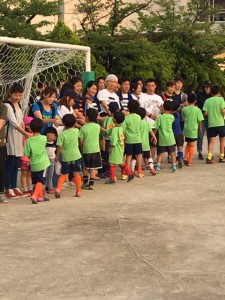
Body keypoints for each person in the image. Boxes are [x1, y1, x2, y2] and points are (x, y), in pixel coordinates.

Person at [4, 83, 31, 198]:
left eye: (20, 95)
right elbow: (14, 123)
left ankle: (14, 186)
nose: (18, 97)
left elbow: (20, 121)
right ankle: (8, 187)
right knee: (10, 164)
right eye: (16, 95)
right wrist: (26, 134)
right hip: (10, 136)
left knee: (16, 164)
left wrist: (24, 128)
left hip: (18, 136)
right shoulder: (7, 105)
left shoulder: (17, 104)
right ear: (10, 93)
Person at [54, 114, 82, 198]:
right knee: (77, 174)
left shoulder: (62, 135)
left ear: (63, 123)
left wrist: (57, 156)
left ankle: (58, 189)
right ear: (74, 123)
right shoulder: (76, 131)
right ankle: (78, 191)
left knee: (64, 174)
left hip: (66, 157)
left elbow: (59, 146)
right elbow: (80, 139)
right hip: (76, 156)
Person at [24, 118, 50, 204]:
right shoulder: (43, 138)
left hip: (33, 164)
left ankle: (40, 196)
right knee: (40, 181)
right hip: (43, 163)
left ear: (30, 128)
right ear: (42, 128)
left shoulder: (28, 140)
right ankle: (35, 195)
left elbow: (27, 154)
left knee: (35, 181)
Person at [139, 78, 164, 160]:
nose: (150, 88)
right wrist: (150, 115)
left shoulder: (159, 98)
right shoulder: (142, 97)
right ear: (145, 86)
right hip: (146, 124)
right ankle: (145, 162)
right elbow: (141, 110)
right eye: (149, 86)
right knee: (145, 144)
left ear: (155, 86)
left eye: (152, 86)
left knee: (153, 144)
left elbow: (163, 109)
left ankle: (151, 162)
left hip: (156, 124)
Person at [79, 108, 102, 190]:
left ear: (86, 117)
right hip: (96, 150)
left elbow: (81, 140)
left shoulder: (83, 128)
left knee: (86, 167)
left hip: (86, 150)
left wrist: (81, 148)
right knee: (93, 168)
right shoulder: (97, 126)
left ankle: (85, 182)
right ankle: (91, 184)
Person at [202, 86, 225, 164]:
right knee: (222, 140)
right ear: (218, 92)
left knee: (212, 141)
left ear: (211, 92)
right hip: (220, 123)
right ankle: (221, 157)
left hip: (211, 123)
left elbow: (205, 113)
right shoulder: (221, 99)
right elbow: (223, 110)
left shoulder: (207, 101)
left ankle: (209, 157)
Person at [154, 100, 177, 173]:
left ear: (163, 107)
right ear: (171, 109)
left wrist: (153, 136)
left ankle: (158, 166)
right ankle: (174, 166)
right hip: (170, 138)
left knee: (161, 153)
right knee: (172, 153)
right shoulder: (172, 117)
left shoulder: (160, 117)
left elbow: (156, 128)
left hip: (162, 138)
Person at [182, 93, 204, 166]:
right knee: (192, 145)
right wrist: (200, 128)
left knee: (188, 143)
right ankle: (190, 161)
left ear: (187, 100)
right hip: (193, 129)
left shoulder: (184, 109)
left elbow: (183, 115)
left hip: (186, 129)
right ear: (195, 101)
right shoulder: (197, 110)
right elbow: (199, 120)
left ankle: (185, 157)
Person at [105, 111, 126, 184]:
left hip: (115, 148)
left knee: (111, 164)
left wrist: (110, 148)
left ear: (114, 120)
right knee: (121, 163)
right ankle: (130, 173)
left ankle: (112, 179)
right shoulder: (121, 128)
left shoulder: (114, 129)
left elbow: (113, 140)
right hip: (121, 148)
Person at [123, 100, 142, 178]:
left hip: (129, 140)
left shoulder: (126, 118)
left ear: (128, 108)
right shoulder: (139, 117)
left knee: (129, 156)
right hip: (138, 139)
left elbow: (123, 129)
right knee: (139, 155)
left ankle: (128, 171)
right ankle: (139, 171)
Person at [136, 107, 157, 175]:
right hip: (146, 144)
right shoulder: (146, 123)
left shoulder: (137, 123)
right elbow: (151, 132)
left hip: (138, 143)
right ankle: (152, 169)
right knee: (148, 157)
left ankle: (134, 170)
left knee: (135, 157)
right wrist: (155, 138)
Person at [196, 80, 212, 160]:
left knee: (210, 135)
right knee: (200, 135)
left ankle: (210, 151)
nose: (208, 88)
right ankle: (200, 151)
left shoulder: (212, 97)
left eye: (209, 87)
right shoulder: (199, 95)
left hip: (210, 117)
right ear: (204, 87)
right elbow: (195, 105)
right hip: (201, 117)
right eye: (207, 87)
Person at [20, 116, 33, 196]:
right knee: (24, 174)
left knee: (29, 174)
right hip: (24, 157)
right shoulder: (24, 134)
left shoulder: (33, 134)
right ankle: (24, 188)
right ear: (27, 125)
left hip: (31, 158)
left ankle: (30, 187)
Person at [44, 127, 58, 194]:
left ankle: (49, 187)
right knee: (44, 174)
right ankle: (45, 187)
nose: (50, 136)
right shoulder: (44, 143)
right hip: (45, 160)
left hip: (52, 160)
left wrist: (56, 158)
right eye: (48, 134)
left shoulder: (55, 144)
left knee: (50, 175)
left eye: (53, 134)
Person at [0, 100, 8, 203]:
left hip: (0, 143)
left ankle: (1, 192)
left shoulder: (2, 107)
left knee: (1, 167)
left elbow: (0, 123)